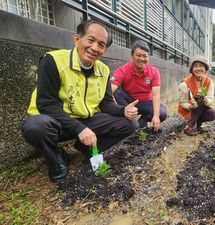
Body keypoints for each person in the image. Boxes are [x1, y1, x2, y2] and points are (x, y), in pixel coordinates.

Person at [22, 20, 139, 181]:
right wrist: (79, 128)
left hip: (87, 120)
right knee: (35, 127)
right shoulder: (53, 60)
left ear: (104, 49)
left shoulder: (103, 70)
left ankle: (86, 148)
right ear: (77, 39)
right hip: (58, 122)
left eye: (101, 45)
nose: (94, 48)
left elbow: (105, 103)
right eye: (90, 40)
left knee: (130, 123)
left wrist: (123, 110)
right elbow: (46, 104)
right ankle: (56, 158)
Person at [111, 40, 167, 131]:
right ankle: (128, 120)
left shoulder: (154, 72)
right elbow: (110, 90)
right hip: (128, 102)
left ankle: (140, 124)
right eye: (138, 55)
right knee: (117, 92)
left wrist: (156, 116)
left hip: (145, 103)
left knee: (162, 113)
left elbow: (156, 94)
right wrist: (118, 109)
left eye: (145, 56)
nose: (142, 59)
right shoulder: (123, 70)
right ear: (132, 56)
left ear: (148, 57)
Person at [178, 56, 215, 136]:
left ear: (205, 68)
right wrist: (190, 106)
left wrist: (207, 101)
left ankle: (198, 123)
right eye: (195, 66)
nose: (198, 69)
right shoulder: (184, 84)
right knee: (199, 100)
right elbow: (183, 103)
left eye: (201, 66)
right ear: (192, 69)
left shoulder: (209, 82)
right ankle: (190, 126)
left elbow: (211, 99)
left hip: (201, 107)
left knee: (211, 114)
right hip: (189, 109)